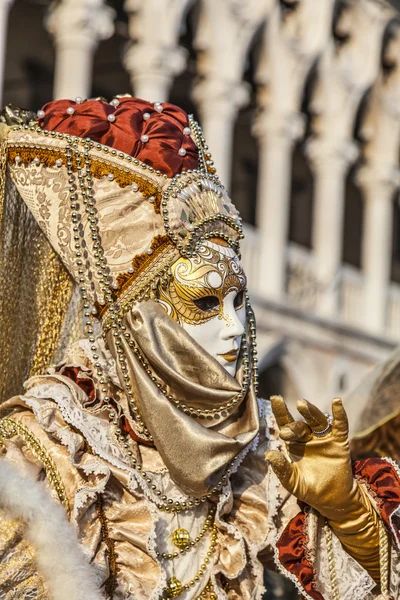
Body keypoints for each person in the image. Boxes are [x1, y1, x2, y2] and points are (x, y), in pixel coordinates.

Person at [0, 96, 399, 600]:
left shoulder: (261, 459)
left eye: (238, 301)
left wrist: (348, 512)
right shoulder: (48, 456)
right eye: (204, 302)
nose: (233, 330)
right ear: (138, 317)